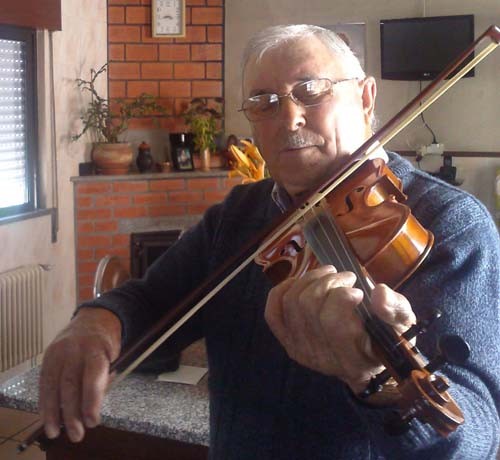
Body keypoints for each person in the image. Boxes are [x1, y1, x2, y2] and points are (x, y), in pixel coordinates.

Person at [39, 25, 500, 459]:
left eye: (311, 90)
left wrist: (374, 379)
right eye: (264, 102)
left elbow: (477, 440)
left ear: (365, 97)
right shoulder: (238, 215)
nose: (289, 117)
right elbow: (151, 299)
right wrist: (96, 325)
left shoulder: (450, 224)